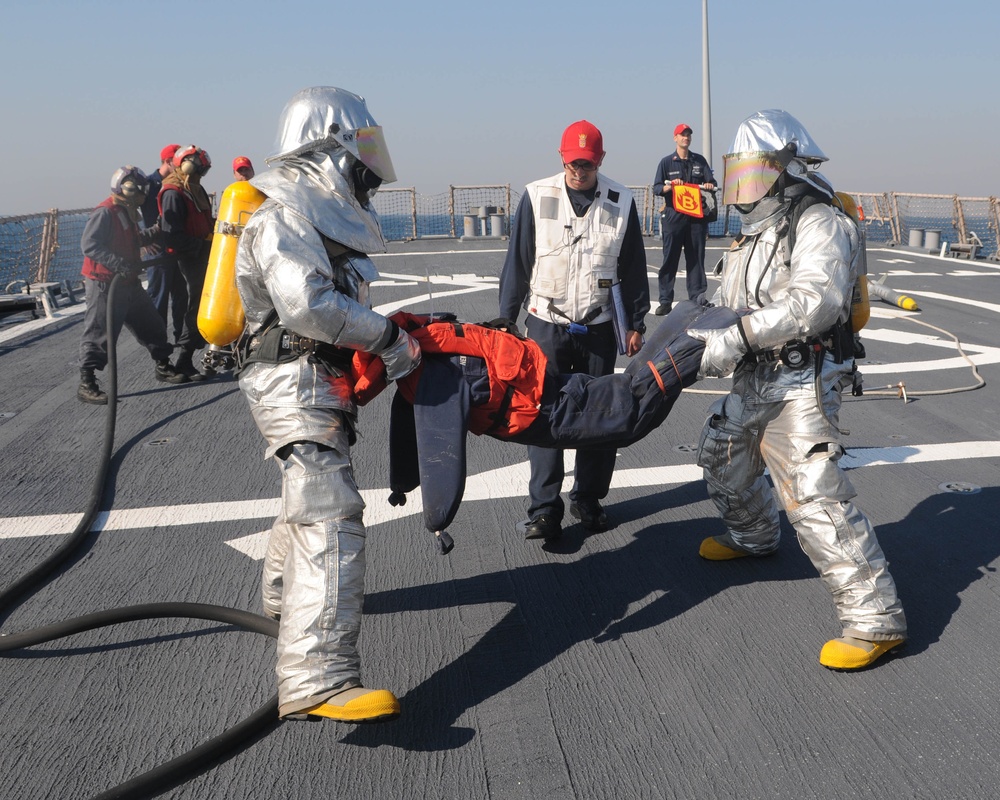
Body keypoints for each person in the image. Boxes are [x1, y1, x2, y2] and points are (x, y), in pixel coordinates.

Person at [687, 109, 907, 671]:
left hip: (803, 376)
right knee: (722, 453)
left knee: (814, 494)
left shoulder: (820, 222)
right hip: (755, 375)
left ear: (784, 168)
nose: (744, 191)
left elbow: (817, 302)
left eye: (753, 175)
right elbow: (727, 303)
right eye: (739, 176)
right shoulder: (754, 236)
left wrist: (736, 336)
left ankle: (875, 619)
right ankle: (755, 535)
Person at [234, 86, 421, 723]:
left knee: (305, 500)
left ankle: (284, 600)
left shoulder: (304, 220)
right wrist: (389, 338)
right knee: (329, 513)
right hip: (293, 379)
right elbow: (307, 306)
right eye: (359, 152)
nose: (367, 171)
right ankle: (318, 677)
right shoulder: (283, 218)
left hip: (309, 379)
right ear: (327, 151)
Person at [351, 301, 737, 549]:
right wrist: (401, 485)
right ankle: (692, 315)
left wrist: (437, 520)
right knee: (632, 392)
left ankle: (713, 332)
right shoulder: (422, 336)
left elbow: (442, 452)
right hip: (551, 397)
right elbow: (408, 419)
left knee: (632, 412)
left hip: (551, 410)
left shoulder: (428, 375)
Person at [499, 119, 649, 542]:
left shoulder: (622, 201)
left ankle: (589, 497)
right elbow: (519, 261)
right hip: (546, 324)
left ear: (600, 160)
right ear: (561, 159)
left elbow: (633, 266)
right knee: (542, 415)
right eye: (571, 163)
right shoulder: (536, 195)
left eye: (585, 163)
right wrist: (506, 319)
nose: (578, 171)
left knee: (601, 417)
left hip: (599, 327)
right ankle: (545, 508)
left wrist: (636, 322)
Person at [77, 166, 188, 404]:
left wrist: (157, 230)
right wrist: (118, 264)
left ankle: (163, 365)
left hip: (129, 283)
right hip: (106, 285)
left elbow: (134, 240)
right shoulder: (105, 212)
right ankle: (87, 383)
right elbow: (90, 245)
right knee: (99, 334)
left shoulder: (126, 211)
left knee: (152, 325)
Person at [158, 144, 215, 381]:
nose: (201, 174)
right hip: (186, 260)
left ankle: (186, 361)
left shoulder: (193, 189)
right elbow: (172, 234)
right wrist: (199, 246)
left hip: (200, 257)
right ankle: (182, 360)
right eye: (200, 168)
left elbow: (203, 220)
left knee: (199, 307)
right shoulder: (174, 192)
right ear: (188, 164)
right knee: (191, 309)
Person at [652, 123, 716, 316]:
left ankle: (697, 298)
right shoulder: (666, 162)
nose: (685, 137)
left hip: (696, 219)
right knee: (669, 259)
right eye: (682, 135)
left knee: (696, 259)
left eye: (688, 135)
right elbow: (656, 188)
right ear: (675, 138)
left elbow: (712, 183)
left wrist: (708, 184)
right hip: (673, 217)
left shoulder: (700, 161)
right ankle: (665, 301)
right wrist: (669, 187)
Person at [142, 143, 188, 345]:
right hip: (158, 253)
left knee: (181, 296)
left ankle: (181, 337)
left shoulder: (178, 184)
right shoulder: (149, 184)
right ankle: (159, 342)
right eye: (177, 162)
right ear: (169, 162)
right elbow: (129, 208)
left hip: (176, 249)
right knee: (158, 299)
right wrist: (142, 241)